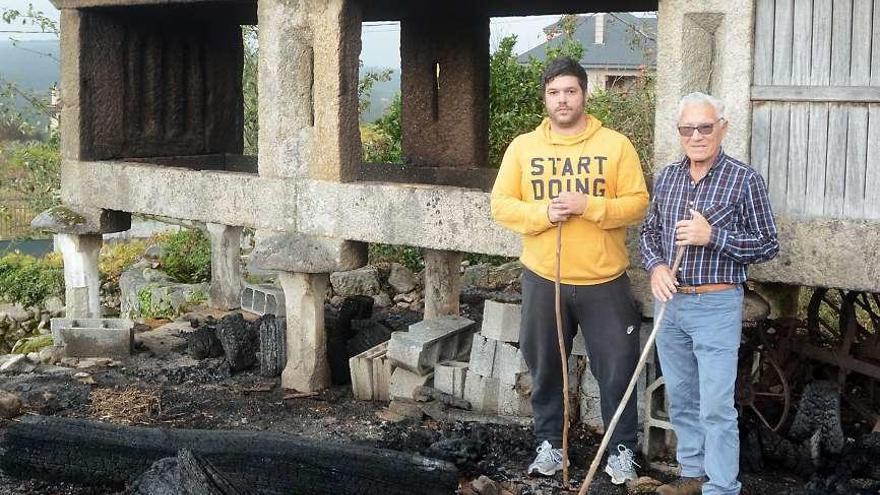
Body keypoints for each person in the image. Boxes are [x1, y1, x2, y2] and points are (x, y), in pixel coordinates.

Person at [490, 57, 649, 484]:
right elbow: (501, 204)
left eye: (571, 91)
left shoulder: (615, 146)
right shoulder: (523, 148)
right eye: (554, 92)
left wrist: (590, 206)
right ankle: (550, 446)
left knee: (617, 369)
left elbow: (638, 204)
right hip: (545, 278)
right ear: (545, 98)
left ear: (584, 94)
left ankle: (621, 451)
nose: (563, 100)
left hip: (604, 281)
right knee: (544, 365)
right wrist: (544, 212)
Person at [639, 92, 779, 495]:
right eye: (688, 128)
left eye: (705, 126)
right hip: (671, 303)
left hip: (716, 303)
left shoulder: (744, 179)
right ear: (679, 132)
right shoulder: (667, 178)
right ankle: (693, 475)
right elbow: (649, 234)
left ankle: (721, 487)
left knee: (716, 405)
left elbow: (768, 243)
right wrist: (656, 267)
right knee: (681, 397)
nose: (696, 135)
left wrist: (712, 236)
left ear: (722, 127)